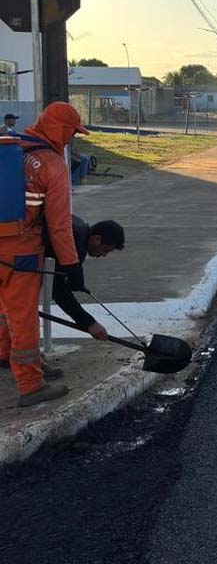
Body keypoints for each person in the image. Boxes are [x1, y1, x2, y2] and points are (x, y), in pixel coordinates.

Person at [0, 102, 87, 407]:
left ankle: (3, 355)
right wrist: (71, 264)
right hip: (20, 251)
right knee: (23, 316)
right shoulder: (51, 164)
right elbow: (60, 224)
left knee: (2, 307)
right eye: (71, 133)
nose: (70, 139)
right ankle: (30, 384)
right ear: (60, 130)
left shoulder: (11, 148)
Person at [1, 217, 124, 381]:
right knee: (23, 316)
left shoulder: (78, 228)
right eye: (106, 250)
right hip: (16, 260)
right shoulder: (75, 243)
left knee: (8, 311)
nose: (103, 255)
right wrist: (89, 323)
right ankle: (30, 372)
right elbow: (59, 291)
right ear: (97, 239)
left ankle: (6, 355)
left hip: (12, 255)